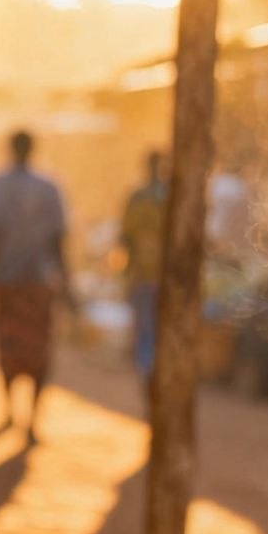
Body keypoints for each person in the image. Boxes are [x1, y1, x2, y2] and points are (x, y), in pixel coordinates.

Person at [0, 130, 68, 441]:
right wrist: (65, 281)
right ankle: (29, 417)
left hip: (7, 280)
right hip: (37, 282)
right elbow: (59, 238)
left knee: (8, 348)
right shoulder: (49, 187)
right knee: (37, 352)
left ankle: (13, 412)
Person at [120, 150, 169, 388]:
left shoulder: (138, 198)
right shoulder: (171, 198)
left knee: (145, 327)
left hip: (143, 275)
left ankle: (147, 369)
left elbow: (125, 238)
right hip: (164, 277)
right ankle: (153, 370)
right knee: (156, 328)